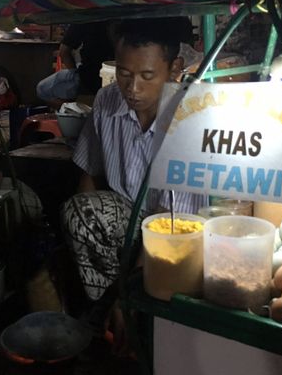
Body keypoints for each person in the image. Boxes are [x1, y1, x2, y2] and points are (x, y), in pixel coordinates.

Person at [60, 18, 208, 351]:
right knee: (77, 213)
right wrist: (79, 234)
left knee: (146, 310)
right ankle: (109, 317)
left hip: (177, 232)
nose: (133, 89)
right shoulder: (107, 101)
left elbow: (171, 226)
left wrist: (128, 294)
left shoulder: (190, 115)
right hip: (127, 223)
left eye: (147, 76)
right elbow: (89, 173)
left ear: (174, 69)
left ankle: (132, 315)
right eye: (125, 74)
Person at [36, 0, 116, 109]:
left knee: (42, 89)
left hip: (87, 79)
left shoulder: (86, 17)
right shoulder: (116, 17)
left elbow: (64, 51)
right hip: (114, 79)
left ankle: (72, 110)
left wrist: (74, 73)